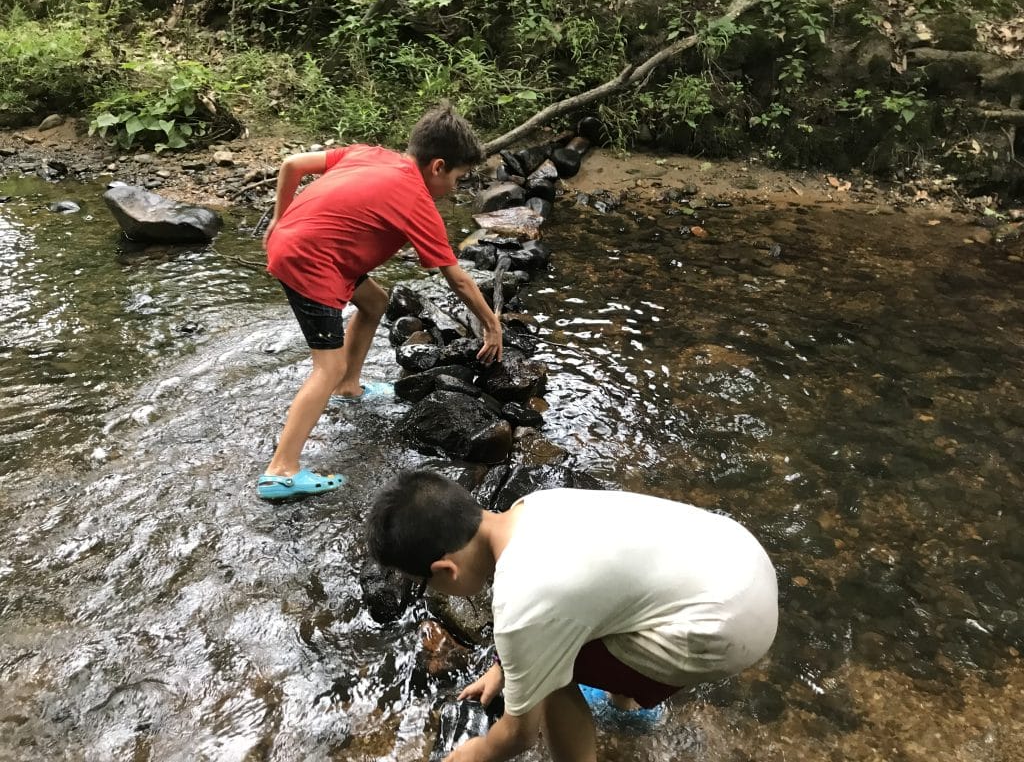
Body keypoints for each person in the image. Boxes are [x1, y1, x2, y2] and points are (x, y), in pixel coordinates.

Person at [365, 470, 779, 762]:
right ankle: (627, 707)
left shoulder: (523, 600)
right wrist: (503, 665)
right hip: (740, 559)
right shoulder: (533, 506)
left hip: (729, 626)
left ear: (444, 570)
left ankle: (629, 710)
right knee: (566, 634)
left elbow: (519, 736)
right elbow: (574, 594)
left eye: (424, 585)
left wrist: (475, 753)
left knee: (550, 679)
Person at [256, 104, 503, 500]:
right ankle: (281, 471)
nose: (456, 187)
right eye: (458, 177)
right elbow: (456, 277)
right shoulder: (416, 200)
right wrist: (492, 324)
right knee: (326, 364)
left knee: (375, 301)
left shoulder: (369, 154)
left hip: (309, 247)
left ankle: (349, 386)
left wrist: (278, 219)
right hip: (310, 260)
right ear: (438, 166)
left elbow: (292, 164)